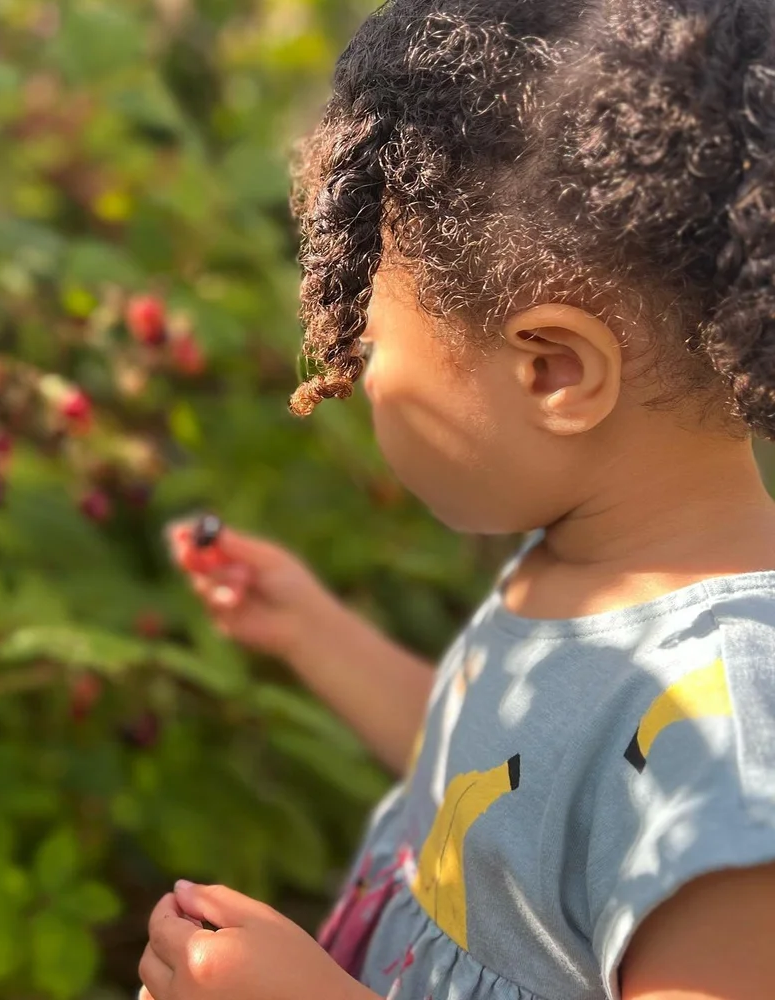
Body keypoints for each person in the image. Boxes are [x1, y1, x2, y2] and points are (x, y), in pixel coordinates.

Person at [138, 0, 775, 998]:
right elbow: (498, 803)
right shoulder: (590, 554)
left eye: (374, 342)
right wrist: (313, 631)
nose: (359, 385)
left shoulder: (727, 759)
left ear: (553, 370)